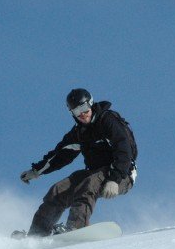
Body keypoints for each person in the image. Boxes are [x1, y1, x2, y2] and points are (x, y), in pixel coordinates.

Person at [16, 88, 138, 237]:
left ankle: (75, 228)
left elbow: (124, 149)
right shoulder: (79, 133)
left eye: (84, 108)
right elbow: (59, 155)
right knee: (57, 190)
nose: (82, 114)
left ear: (91, 104)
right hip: (94, 173)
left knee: (89, 184)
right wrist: (36, 171)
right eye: (76, 111)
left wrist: (114, 178)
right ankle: (37, 234)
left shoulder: (108, 121)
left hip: (122, 173)